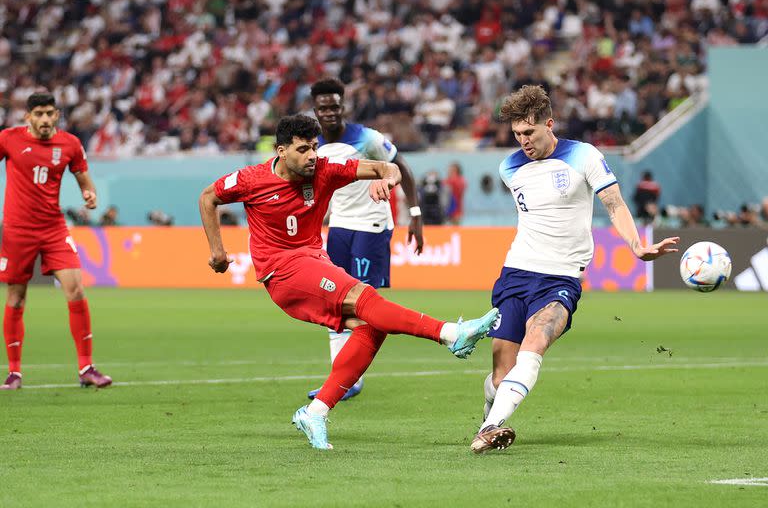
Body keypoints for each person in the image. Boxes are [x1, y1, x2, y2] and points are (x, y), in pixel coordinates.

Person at [198, 115, 498, 450]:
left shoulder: (326, 170)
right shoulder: (252, 179)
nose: (312, 155)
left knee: (373, 324)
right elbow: (208, 197)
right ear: (281, 151)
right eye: (302, 149)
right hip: (282, 272)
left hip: (314, 261)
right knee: (364, 297)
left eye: (314, 147)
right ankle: (450, 334)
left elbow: (390, 167)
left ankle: (316, 411)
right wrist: (218, 251)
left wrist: (386, 179)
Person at [471, 86, 678, 453]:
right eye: (517, 134)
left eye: (530, 133)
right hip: (515, 274)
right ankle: (491, 413)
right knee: (501, 375)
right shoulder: (510, 168)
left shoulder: (584, 156)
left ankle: (488, 428)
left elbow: (614, 205)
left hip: (561, 278)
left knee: (534, 344)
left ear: (549, 124)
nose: (523, 142)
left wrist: (637, 246)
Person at [306, 77, 424, 401]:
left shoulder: (367, 138)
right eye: (323, 107)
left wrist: (415, 214)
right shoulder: (312, 143)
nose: (329, 112)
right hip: (340, 226)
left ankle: (350, 377)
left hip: (372, 224)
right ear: (315, 110)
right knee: (332, 301)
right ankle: (341, 379)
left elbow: (403, 168)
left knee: (364, 304)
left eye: (334, 106)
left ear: (343, 106)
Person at [0, 92, 112, 390]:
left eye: (50, 113)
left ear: (57, 114)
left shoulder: (70, 144)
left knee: (75, 289)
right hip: (17, 230)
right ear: (28, 117)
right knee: (16, 297)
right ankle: (14, 373)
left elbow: (83, 178)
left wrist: (89, 194)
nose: (46, 119)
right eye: (39, 114)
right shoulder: (8, 139)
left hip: (53, 227)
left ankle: (87, 368)